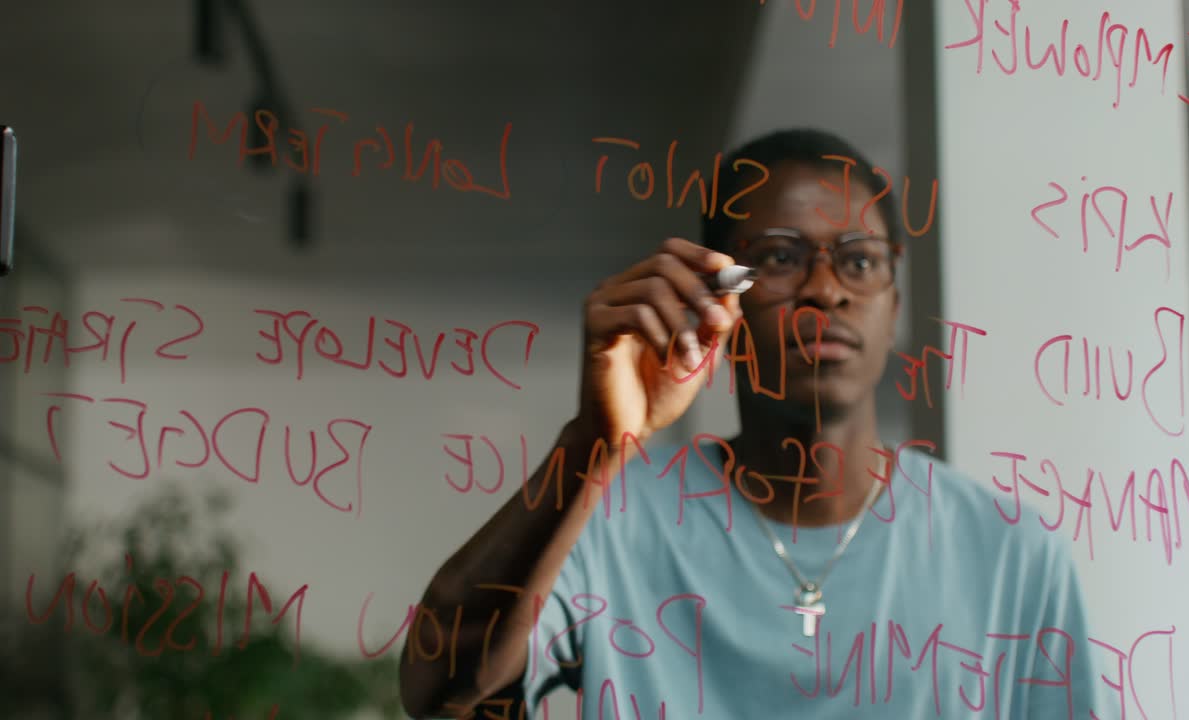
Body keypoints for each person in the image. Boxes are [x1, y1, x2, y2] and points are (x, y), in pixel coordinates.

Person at [399, 129, 1118, 719]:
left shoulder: (1013, 554)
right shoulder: (611, 524)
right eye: (778, 257)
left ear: (893, 305)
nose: (825, 289)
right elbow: (440, 693)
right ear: (718, 299)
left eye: (859, 262)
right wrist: (594, 440)